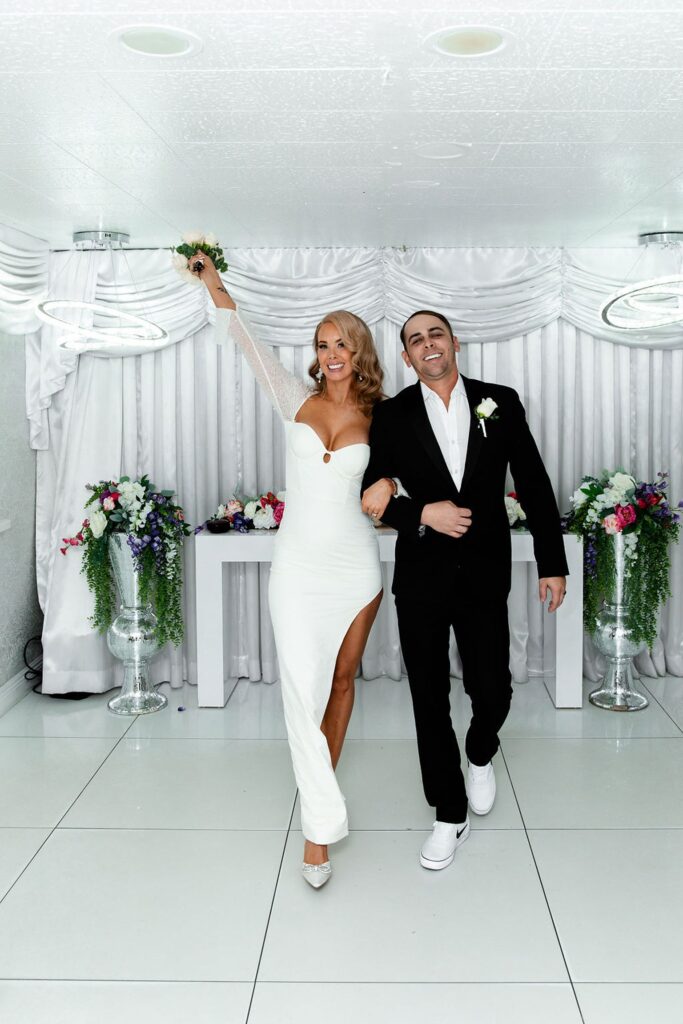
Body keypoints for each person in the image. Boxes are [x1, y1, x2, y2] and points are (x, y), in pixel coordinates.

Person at [194, 252, 395, 887]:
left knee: (340, 683)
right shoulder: (294, 399)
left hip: (355, 567)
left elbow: (412, 472)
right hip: (298, 565)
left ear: (359, 349)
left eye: (341, 343)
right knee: (299, 688)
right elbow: (245, 340)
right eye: (322, 344)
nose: (331, 353)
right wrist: (214, 284)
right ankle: (320, 812)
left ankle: (316, 819)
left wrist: (389, 477)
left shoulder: (382, 416)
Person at [361, 310, 568, 871]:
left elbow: (533, 480)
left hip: (483, 573)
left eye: (435, 334)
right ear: (406, 357)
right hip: (422, 578)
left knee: (493, 688)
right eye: (414, 340)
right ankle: (448, 813)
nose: (427, 345)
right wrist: (422, 511)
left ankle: (481, 751)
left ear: (454, 342)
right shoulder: (391, 414)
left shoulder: (498, 401)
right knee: (428, 700)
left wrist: (554, 562)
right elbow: (371, 491)